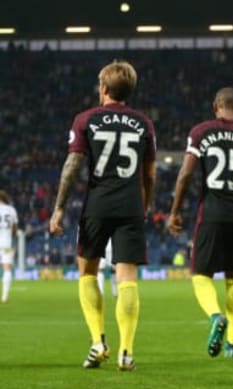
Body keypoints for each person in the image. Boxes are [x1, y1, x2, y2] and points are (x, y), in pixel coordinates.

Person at [49, 60, 156, 371]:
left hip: (97, 204)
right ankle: (126, 351)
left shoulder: (86, 119)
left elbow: (72, 167)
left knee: (87, 272)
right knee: (127, 280)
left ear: (104, 88)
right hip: (130, 206)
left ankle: (98, 343)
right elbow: (149, 174)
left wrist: (58, 208)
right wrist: (145, 206)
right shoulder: (144, 123)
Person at [167, 87, 233, 359]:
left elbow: (186, 173)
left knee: (201, 276)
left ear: (216, 106)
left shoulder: (201, 132)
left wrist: (175, 210)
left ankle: (215, 317)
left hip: (211, 213)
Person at [0, 190, 18, 303]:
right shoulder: (11, 210)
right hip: (7, 243)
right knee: (7, 269)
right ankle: (5, 296)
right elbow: (14, 228)